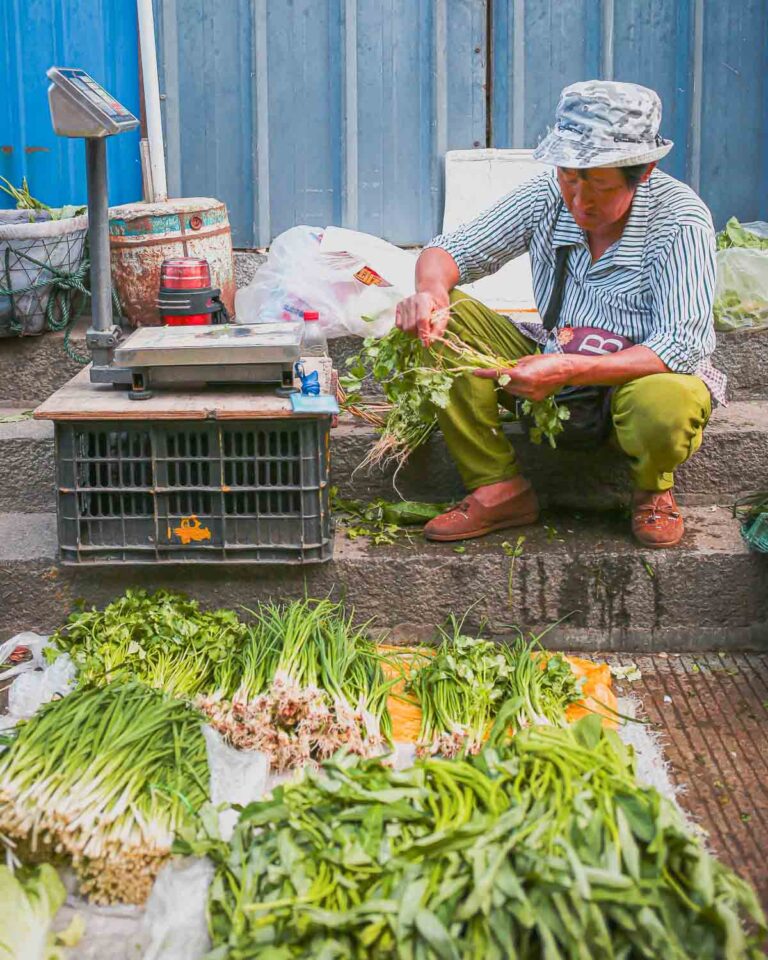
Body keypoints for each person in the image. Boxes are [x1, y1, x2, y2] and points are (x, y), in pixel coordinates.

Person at [394, 80, 725, 549]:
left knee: (666, 404)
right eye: (571, 178)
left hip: (638, 376)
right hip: (553, 355)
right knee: (445, 321)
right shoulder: (549, 195)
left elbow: (681, 344)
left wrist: (571, 367)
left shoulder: (680, 221)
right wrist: (430, 293)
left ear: (644, 170)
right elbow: (451, 251)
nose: (578, 201)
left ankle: (652, 489)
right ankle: (497, 487)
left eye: (599, 185)